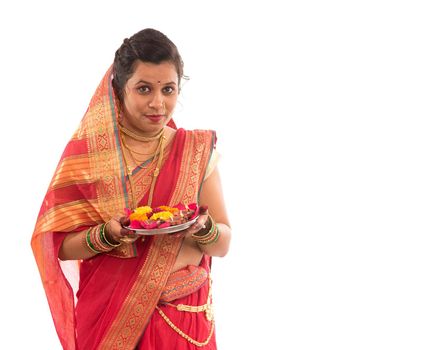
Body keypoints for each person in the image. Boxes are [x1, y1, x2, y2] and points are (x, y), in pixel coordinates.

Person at [31, 28, 231, 350]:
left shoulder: (195, 151)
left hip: (185, 322)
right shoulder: (90, 156)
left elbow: (222, 243)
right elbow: (59, 246)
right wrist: (106, 236)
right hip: (112, 320)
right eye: (143, 89)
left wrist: (204, 228)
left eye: (168, 89)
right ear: (118, 90)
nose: (158, 103)